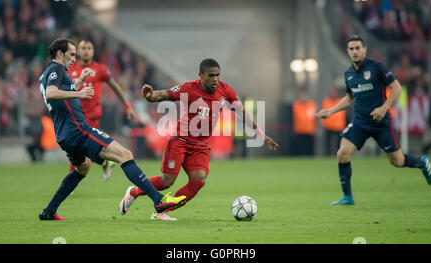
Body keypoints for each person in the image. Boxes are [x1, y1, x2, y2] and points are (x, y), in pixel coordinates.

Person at [38, 38, 186, 220]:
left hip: (64, 135)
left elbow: (56, 96)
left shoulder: (46, 74)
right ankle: (159, 199)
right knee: (125, 155)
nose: (74, 59)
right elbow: (53, 94)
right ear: (59, 54)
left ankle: (49, 211)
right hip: (78, 130)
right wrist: (79, 92)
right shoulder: (57, 69)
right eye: (71, 55)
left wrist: (78, 83)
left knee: (83, 168)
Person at [119, 58, 279, 220]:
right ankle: (135, 191)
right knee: (167, 181)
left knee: (198, 180)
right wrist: (150, 96)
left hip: (200, 145)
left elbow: (242, 111)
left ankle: (161, 212)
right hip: (180, 141)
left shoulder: (225, 91)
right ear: (201, 75)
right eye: (211, 75)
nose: (215, 79)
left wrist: (260, 133)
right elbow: (164, 94)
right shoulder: (189, 88)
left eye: (217, 75)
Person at [316, 35, 431, 206]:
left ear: (364, 50)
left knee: (397, 161)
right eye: (352, 49)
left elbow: (396, 88)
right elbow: (350, 98)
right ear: (348, 52)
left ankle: (422, 163)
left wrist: (384, 107)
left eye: (358, 48)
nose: (355, 51)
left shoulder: (377, 67)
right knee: (342, 153)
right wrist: (331, 111)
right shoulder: (349, 74)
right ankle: (348, 197)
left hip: (381, 123)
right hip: (360, 122)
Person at [67, 40, 139, 181]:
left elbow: (115, 87)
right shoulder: (70, 70)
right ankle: (105, 162)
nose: (86, 50)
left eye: (89, 48)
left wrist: (128, 106)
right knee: (82, 148)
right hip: (75, 115)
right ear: (78, 52)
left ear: (93, 51)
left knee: (77, 147)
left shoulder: (101, 69)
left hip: (92, 115)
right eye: (83, 48)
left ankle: (71, 182)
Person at [321, 87, 346, 156]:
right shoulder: (326, 101)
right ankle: (327, 156)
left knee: (338, 143)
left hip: (339, 126)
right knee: (327, 144)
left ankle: (338, 155)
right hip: (328, 126)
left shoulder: (341, 101)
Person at [292, 90, 317, 156]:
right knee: (300, 147)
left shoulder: (312, 104)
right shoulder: (296, 105)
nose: (304, 98)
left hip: (310, 130)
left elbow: (314, 117)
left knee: (309, 148)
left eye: (305, 96)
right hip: (299, 130)